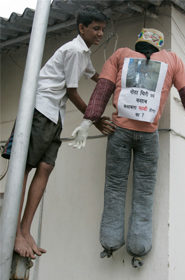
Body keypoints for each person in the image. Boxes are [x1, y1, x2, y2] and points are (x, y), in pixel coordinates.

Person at [69, 28, 185, 267]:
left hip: (119, 132)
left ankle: (110, 243)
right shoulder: (173, 60)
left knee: (115, 188)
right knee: (144, 193)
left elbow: (103, 90)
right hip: (149, 136)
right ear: (159, 46)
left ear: (138, 42)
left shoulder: (120, 55)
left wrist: (88, 121)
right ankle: (139, 248)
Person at [2, 6, 115, 260]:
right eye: (96, 29)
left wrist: (116, 84)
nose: (100, 34)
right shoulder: (74, 50)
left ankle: (25, 229)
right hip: (41, 110)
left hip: (55, 114)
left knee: (46, 168)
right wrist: (93, 120)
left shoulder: (83, 54)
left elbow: (95, 76)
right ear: (81, 28)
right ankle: (14, 232)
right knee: (25, 168)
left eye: (102, 29)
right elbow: (72, 92)